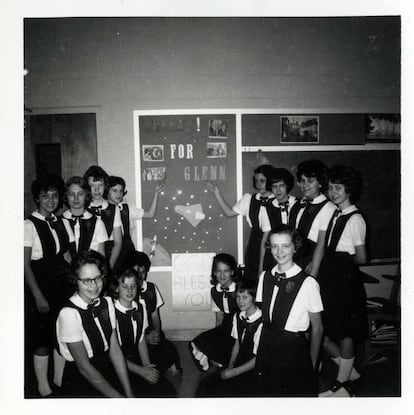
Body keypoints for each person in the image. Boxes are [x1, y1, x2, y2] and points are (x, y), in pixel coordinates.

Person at [255, 225, 323, 397]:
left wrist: (312, 364)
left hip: (294, 350)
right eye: (275, 246)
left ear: (295, 247)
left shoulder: (308, 283)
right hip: (267, 345)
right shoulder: (265, 277)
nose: (279, 251)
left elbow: (318, 328)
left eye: (285, 246)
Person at [55, 250, 134, 398]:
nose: (94, 285)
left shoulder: (107, 302)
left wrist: (128, 393)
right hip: (81, 377)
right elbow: (84, 368)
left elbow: (115, 349)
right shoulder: (69, 314)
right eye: (87, 280)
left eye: (98, 278)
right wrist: (117, 397)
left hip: (106, 366)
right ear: (75, 280)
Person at [318, 166, 368, 397]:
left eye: (338, 188)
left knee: (347, 333)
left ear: (349, 189)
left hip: (345, 281)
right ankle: (350, 373)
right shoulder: (336, 214)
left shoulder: (355, 219)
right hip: (330, 280)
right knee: (326, 332)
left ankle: (342, 384)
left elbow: (362, 257)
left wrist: (341, 263)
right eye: (330, 188)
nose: (332, 192)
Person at [24, 174, 74, 397]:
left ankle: (59, 380)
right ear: (37, 199)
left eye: (54, 196)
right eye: (45, 196)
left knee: (61, 333)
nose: (51, 201)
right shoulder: (28, 224)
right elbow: (24, 264)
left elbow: (66, 255)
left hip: (61, 283)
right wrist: (38, 296)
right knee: (42, 338)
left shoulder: (60, 221)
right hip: (40, 284)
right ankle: (43, 387)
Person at [109, 268, 176, 397]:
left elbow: (140, 339)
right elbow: (114, 354)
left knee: (165, 391)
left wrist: (147, 366)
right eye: (125, 286)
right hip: (116, 363)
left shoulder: (140, 307)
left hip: (135, 357)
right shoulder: (112, 311)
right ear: (117, 288)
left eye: (133, 286)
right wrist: (141, 371)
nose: (130, 290)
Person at [206, 164, 275, 281]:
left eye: (262, 181)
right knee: (253, 280)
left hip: (274, 244)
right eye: (256, 181)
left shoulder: (279, 200)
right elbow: (229, 213)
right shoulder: (249, 199)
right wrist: (216, 193)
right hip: (255, 244)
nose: (258, 184)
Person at [196, 279, 263, 397]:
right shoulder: (238, 316)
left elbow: (259, 358)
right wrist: (231, 366)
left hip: (255, 367)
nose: (240, 302)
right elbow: (237, 344)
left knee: (229, 392)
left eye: (245, 297)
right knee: (204, 386)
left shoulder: (262, 322)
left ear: (254, 298)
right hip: (240, 361)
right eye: (238, 297)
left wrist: (234, 372)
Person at [123, 251, 182, 376]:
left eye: (143, 272)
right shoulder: (125, 291)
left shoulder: (151, 288)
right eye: (135, 272)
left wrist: (156, 332)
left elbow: (155, 317)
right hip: (133, 336)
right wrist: (144, 338)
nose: (139, 276)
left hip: (150, 332)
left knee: (169, 349)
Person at [190, 253, 240, 372]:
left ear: (232, 272)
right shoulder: (215, 291)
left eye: (226, 271)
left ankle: (222, 362)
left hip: (240, 325)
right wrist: (216, 336)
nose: (222, 275)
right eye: (218, 271)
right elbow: (219, 316)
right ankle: (213, 362)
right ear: (214, 273)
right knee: (198, 342)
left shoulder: (239, 288)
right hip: (226, 325)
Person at [106, 175, 165, 273]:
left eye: (121, 191)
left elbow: (150, 214)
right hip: (110, 249)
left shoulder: (126, 208)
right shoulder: (102, 210)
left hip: (127, 249)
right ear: (107, 191)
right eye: (114, 190)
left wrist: (156, 194)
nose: (118, 194)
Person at [288, 159, 336, 278]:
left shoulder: (328, 208)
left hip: (313, 259)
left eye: (310, 181)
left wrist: (314, 266)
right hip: (294, 258)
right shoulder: (297, 204)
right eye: (302, 181)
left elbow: (322, 243)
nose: (305, 185)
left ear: (320, 183)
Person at [83, 166, 122, 270]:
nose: (96, 189)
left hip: (109, 256)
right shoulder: (83, 209)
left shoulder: (113, 209)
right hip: (87, 256)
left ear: (105, 186)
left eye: (100, 185)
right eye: (92, 185)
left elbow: (118, 242)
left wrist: (108, 267)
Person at [62, 176, 108, 258]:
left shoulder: (97, 223)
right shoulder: (59, 221)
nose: (76, 198)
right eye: (72, 194)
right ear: (66, 196)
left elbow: (101, 255)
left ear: (86, 195)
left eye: (80, 194)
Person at [263, 167, 298, 271]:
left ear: (287, 186)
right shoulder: (267, 207)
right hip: (276, 254)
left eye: (281, 186)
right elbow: (265, 237)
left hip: (295, 255)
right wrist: (261, 267)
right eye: (274, 187)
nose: (278, 190)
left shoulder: (298, 204)